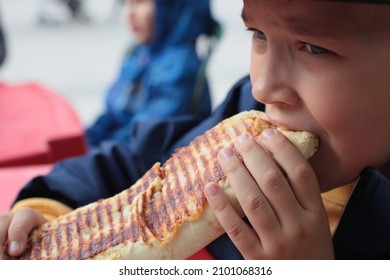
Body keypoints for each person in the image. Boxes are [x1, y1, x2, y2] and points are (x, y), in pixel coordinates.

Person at [1, 0, 390, 260]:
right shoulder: (247, 109)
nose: (264, 87)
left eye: (313, 47)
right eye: (258, 35)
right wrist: (48, 210)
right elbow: (138, 164)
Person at [85, 0, 216, 148]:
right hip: (116, 152)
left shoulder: (179, 67)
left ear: (170, 6)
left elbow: (143, 139)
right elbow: (113, 114)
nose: (130, 14)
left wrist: (92, 154)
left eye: (139, 2)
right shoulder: (141, 54)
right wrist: (85, 140)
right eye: (126, 4)